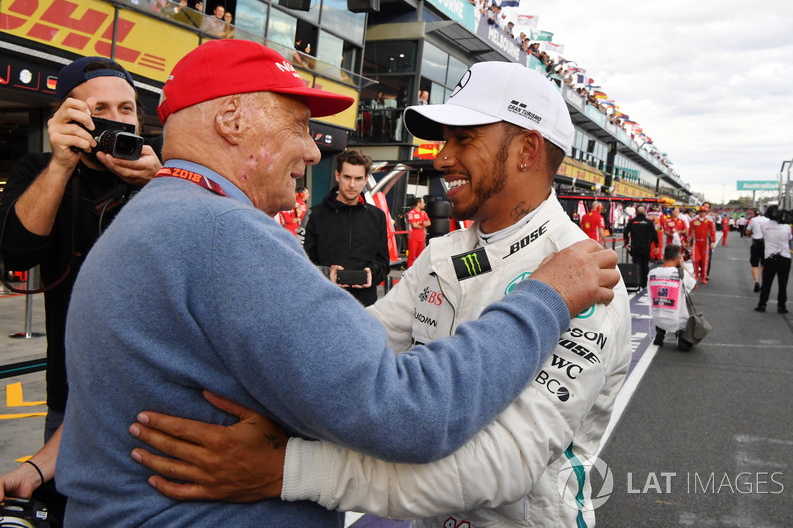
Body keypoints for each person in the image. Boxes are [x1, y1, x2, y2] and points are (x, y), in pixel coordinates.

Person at [0, 42, 620, 527]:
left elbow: (498, 462)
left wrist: (284, 470)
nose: (314, 150)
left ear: (527, 152)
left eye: (463, 139)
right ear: (234, 120)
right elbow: (388, 396)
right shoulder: (223, 231)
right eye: (299, 124)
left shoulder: (586, 277)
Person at [0, 55, 161, 524]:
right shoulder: (43, 169)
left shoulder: (166, 172)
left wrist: (160, 183)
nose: (117, 119)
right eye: (101, 108)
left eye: (127, 108)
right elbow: (18, 252)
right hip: (71, 401)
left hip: (159, 404)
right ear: (69, 115)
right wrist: (60, 166)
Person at [303, 149, 389, 306]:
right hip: (325, 303)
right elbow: (302, 262)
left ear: (366, 180)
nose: (352, 184)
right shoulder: (314, 214)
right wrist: (329, 273)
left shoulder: (377, 217)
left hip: (365, 306)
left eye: (358, 178)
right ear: (337, 175)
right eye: (347, 177)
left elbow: (384, 264)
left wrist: (372, 274)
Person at [647, 244, 697, 351]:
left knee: (662, 299)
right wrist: (683, 266)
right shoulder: (681, 274)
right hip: (677, 321)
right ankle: (680, 334)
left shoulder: (652, 273)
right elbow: (695, 285)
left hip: (658, 318)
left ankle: (660, 331)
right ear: (679, 259)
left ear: (664, 256)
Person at [755, 205, 792, 313]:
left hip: (769, 258)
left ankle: (762, 304)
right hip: (784, 257)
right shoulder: (786, 227)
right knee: (782, 284)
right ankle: (781, 306)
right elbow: (789, 238)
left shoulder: (764, 226)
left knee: (766, 282)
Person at [624, 205, 659, 289]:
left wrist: (626, 243)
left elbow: (626, 232)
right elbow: (654, 233)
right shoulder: (648, 222)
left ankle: (636, 282)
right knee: (645, 265)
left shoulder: (632, 221)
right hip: (646, 247)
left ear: (636, 212)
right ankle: (644, 283)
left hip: (635, 247)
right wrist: (657, 245)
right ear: (644, 212)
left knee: (636, 265)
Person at [687, 206, 715, 284]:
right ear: (698, 212)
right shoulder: (694, 221)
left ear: (706, 213)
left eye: (704, 212)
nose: (702, 213)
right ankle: (696, 274)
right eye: (701, 211)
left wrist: (712, 242)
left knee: (704, 261)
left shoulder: (710, 221)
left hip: (705, 244)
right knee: (695, 260)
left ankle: (703, 276)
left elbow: (713, 233)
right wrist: (687, 242)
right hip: (696, 244)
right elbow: (690, 233)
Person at [746, 208, 768, 292]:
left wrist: (751, 232)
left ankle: (756, 282)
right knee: (764, 264)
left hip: (756, 243)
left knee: (755, 264)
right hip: (766, 243)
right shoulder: (767, 220)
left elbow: (747, 232)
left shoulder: (753, 220)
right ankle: (764, 283)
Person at [405, 196, 430, 267]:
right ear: (418, 204)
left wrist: (419, 223)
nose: (424, 204)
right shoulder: (411, 213)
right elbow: (414, 225)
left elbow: (429, 223)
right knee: (412, 256)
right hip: (413, 238)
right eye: (423, 202)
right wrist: (422, 224)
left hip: (422, 238)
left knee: (420, 257)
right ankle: (410, 272)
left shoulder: (423, 213)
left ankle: (419, 272)